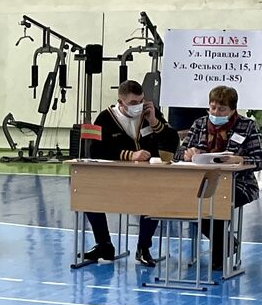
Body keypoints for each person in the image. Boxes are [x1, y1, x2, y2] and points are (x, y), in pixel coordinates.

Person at [82, 80, 173, 267]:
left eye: (140, 101)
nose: (137, 106)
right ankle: (104, 244)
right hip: (115, 177)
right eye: (132, 103)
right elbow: (96, 151)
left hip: (148, 178)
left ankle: (143, 248)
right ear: (120, 102)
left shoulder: (150, 113)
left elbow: (172, 140)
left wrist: (155, 122)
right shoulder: (104, 118)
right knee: (88, 195)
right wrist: (130, 155)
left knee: (154, 200)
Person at [175, 85, 262, 271]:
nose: (216, 112)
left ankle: (220, 252)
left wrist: (240, 159)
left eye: (222, 109)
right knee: (199, 204)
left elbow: (259, 159)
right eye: (213, 107)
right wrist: (187, 153)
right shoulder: (200, 124)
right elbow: (178, 153)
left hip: (239, 184)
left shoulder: (247, 126)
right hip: (201, 183)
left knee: (217, 203)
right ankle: (227, 243)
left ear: (232, 110)